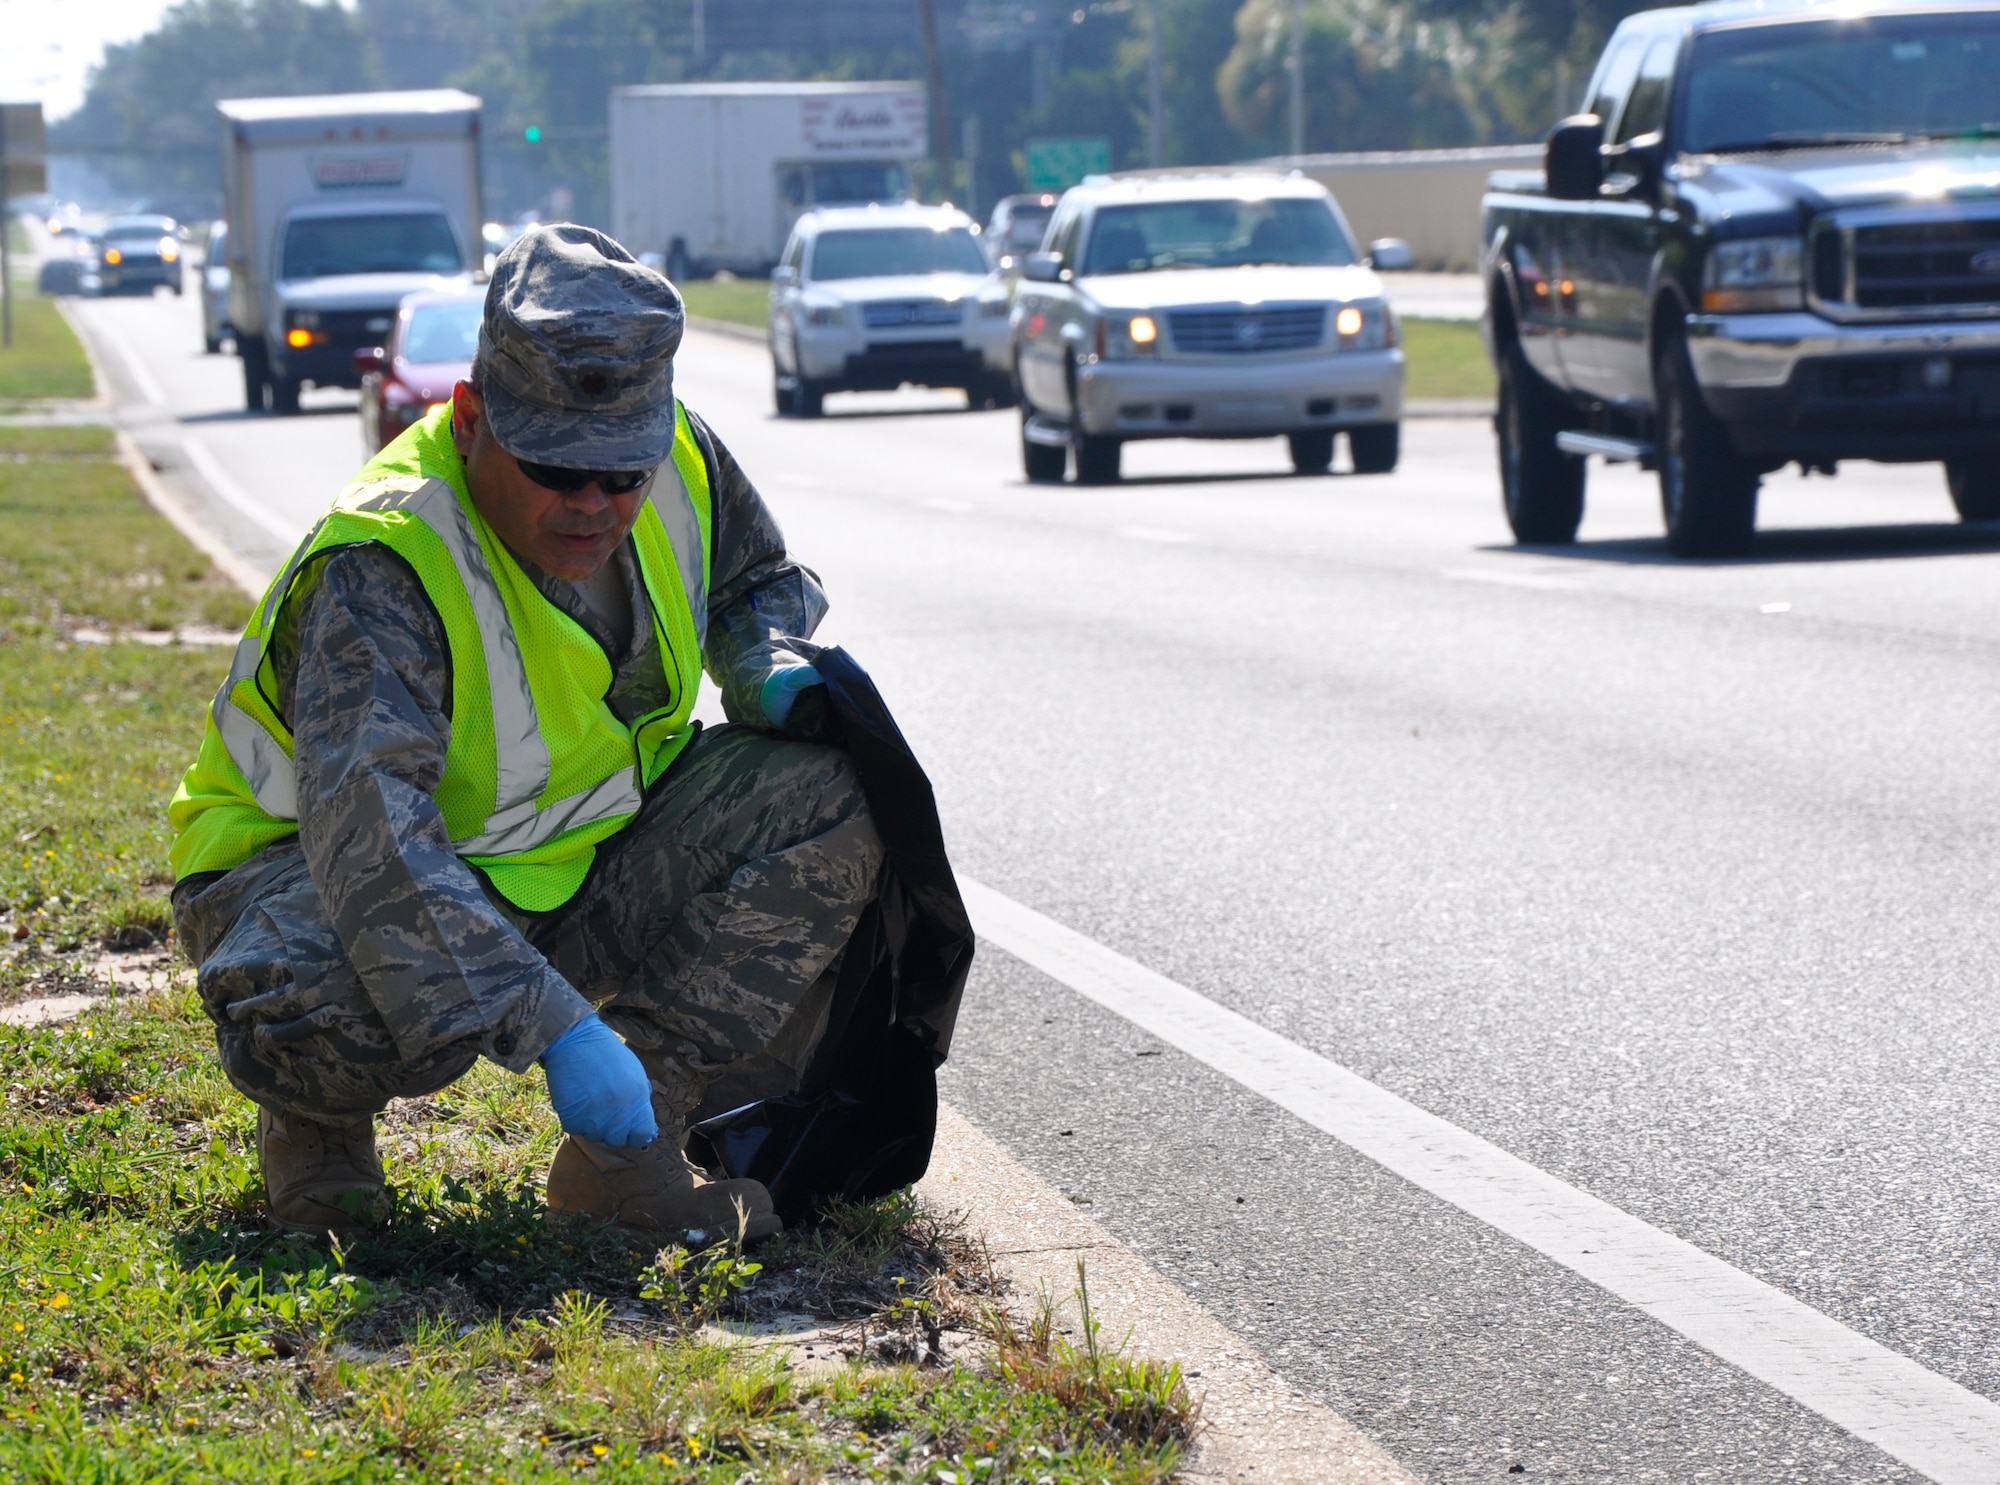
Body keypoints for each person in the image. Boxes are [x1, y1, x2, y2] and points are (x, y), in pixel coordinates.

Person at [168, 224, 883, 1243]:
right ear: (468, 421)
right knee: (308, 996)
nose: (594, 502)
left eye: (620, 474)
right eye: (554, 468)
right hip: (314, 883)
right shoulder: (383, 562)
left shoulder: (677, 454)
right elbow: (381, 853)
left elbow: (753, 579)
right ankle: (316, 1127)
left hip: (562, 859)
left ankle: (625, 1154)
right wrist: (556, 1030)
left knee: (836, 798)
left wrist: (761, 658)